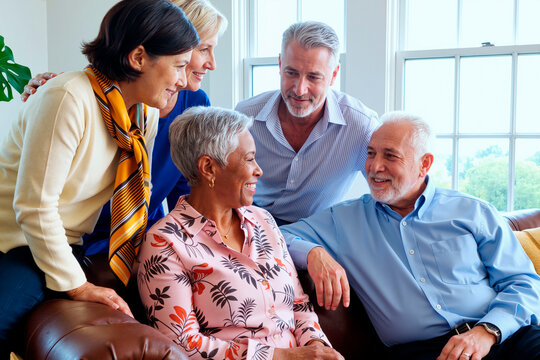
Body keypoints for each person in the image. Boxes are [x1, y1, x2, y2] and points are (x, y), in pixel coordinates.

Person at [0, 0, 199, 356]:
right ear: (138, 58)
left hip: (64, 242)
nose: (184, 81)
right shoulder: (67, 98)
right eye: (179, 66)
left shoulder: (143, 113)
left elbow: (139, 192)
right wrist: (79, 287)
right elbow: (33, 208)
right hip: (14, 241)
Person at [279, 112, 540, 360]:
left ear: (423, 164)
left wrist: (488, 332)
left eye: (390, 156)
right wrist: (314, 253)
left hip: (503, 335)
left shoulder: (472, 211)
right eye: (371, 154)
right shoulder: (343, 219)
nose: (374, 166)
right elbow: (272, 235)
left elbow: (524, 282)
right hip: (423, 352)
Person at [21, 0, 228, 256]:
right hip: (84, 232)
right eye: (204, 49)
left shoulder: (194, 107)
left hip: (140, 230)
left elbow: (187, 191)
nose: (212, 63)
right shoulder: (86, 97)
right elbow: (41, 201)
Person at [137, 106, 344, 360]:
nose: (259, 170)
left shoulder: (263, 220)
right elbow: (182, 344)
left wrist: (318, 347)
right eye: (249, 158)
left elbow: (298, 304)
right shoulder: (165, 242)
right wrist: (285, 357)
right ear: (209, 168)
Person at [235, 21, 379, 226]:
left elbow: (390, 190)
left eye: (313, 77)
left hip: (320, 233)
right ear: (279, 65)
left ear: (334, 75)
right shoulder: (244, 116)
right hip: (251, 226)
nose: (300, 89)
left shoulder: (361, 126)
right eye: (291, 73)